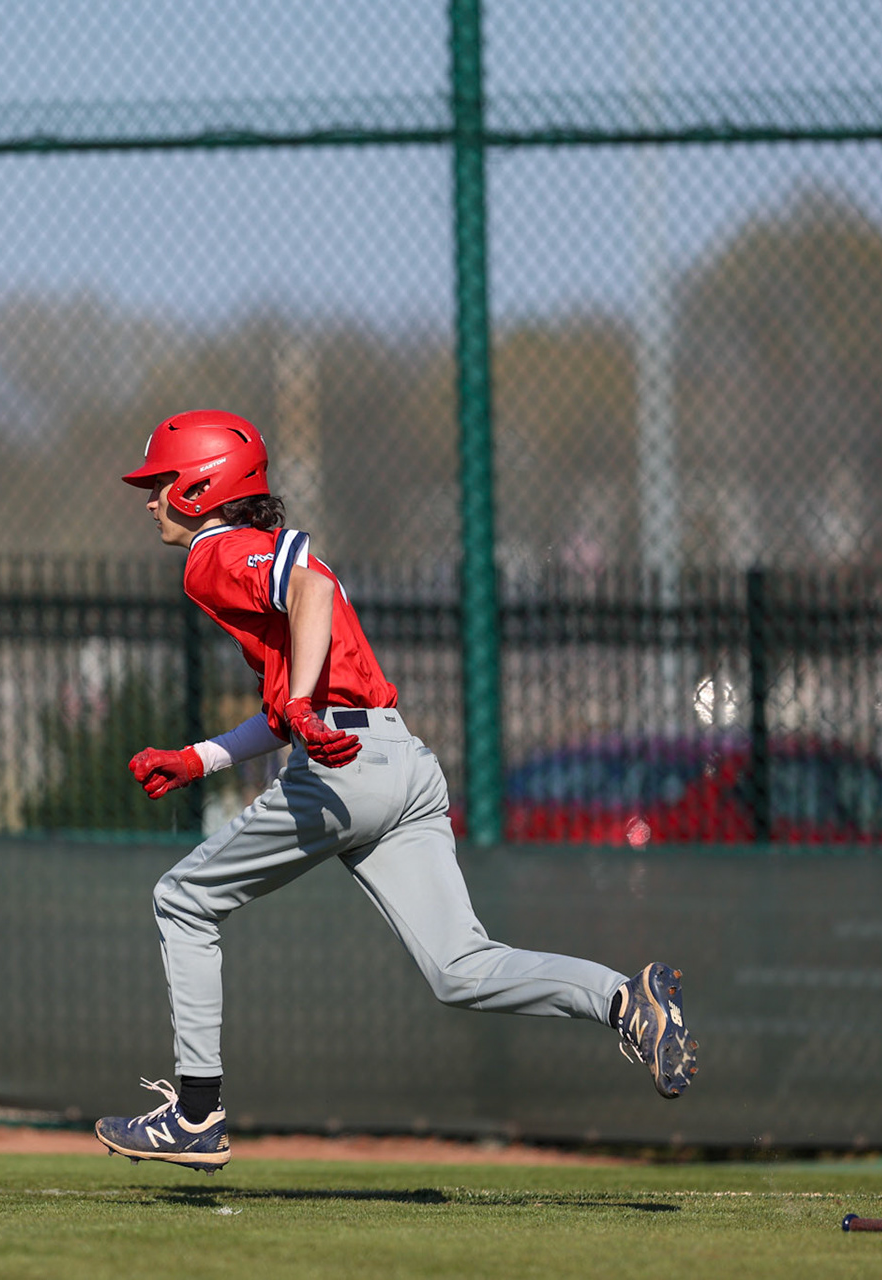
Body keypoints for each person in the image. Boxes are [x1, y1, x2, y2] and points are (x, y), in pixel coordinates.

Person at [93, 409, 697, 1174]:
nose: (149, 500)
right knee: (462, 969)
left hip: (346, 770)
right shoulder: (250, 552)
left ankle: (195, 1113)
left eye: (158, 483)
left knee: (183, 900)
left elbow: (307, 588)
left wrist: (305, 705)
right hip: (400, 761)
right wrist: (203, 756)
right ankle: (624, 999)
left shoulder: (212, 555)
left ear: (199, 486)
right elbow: (294, 692)